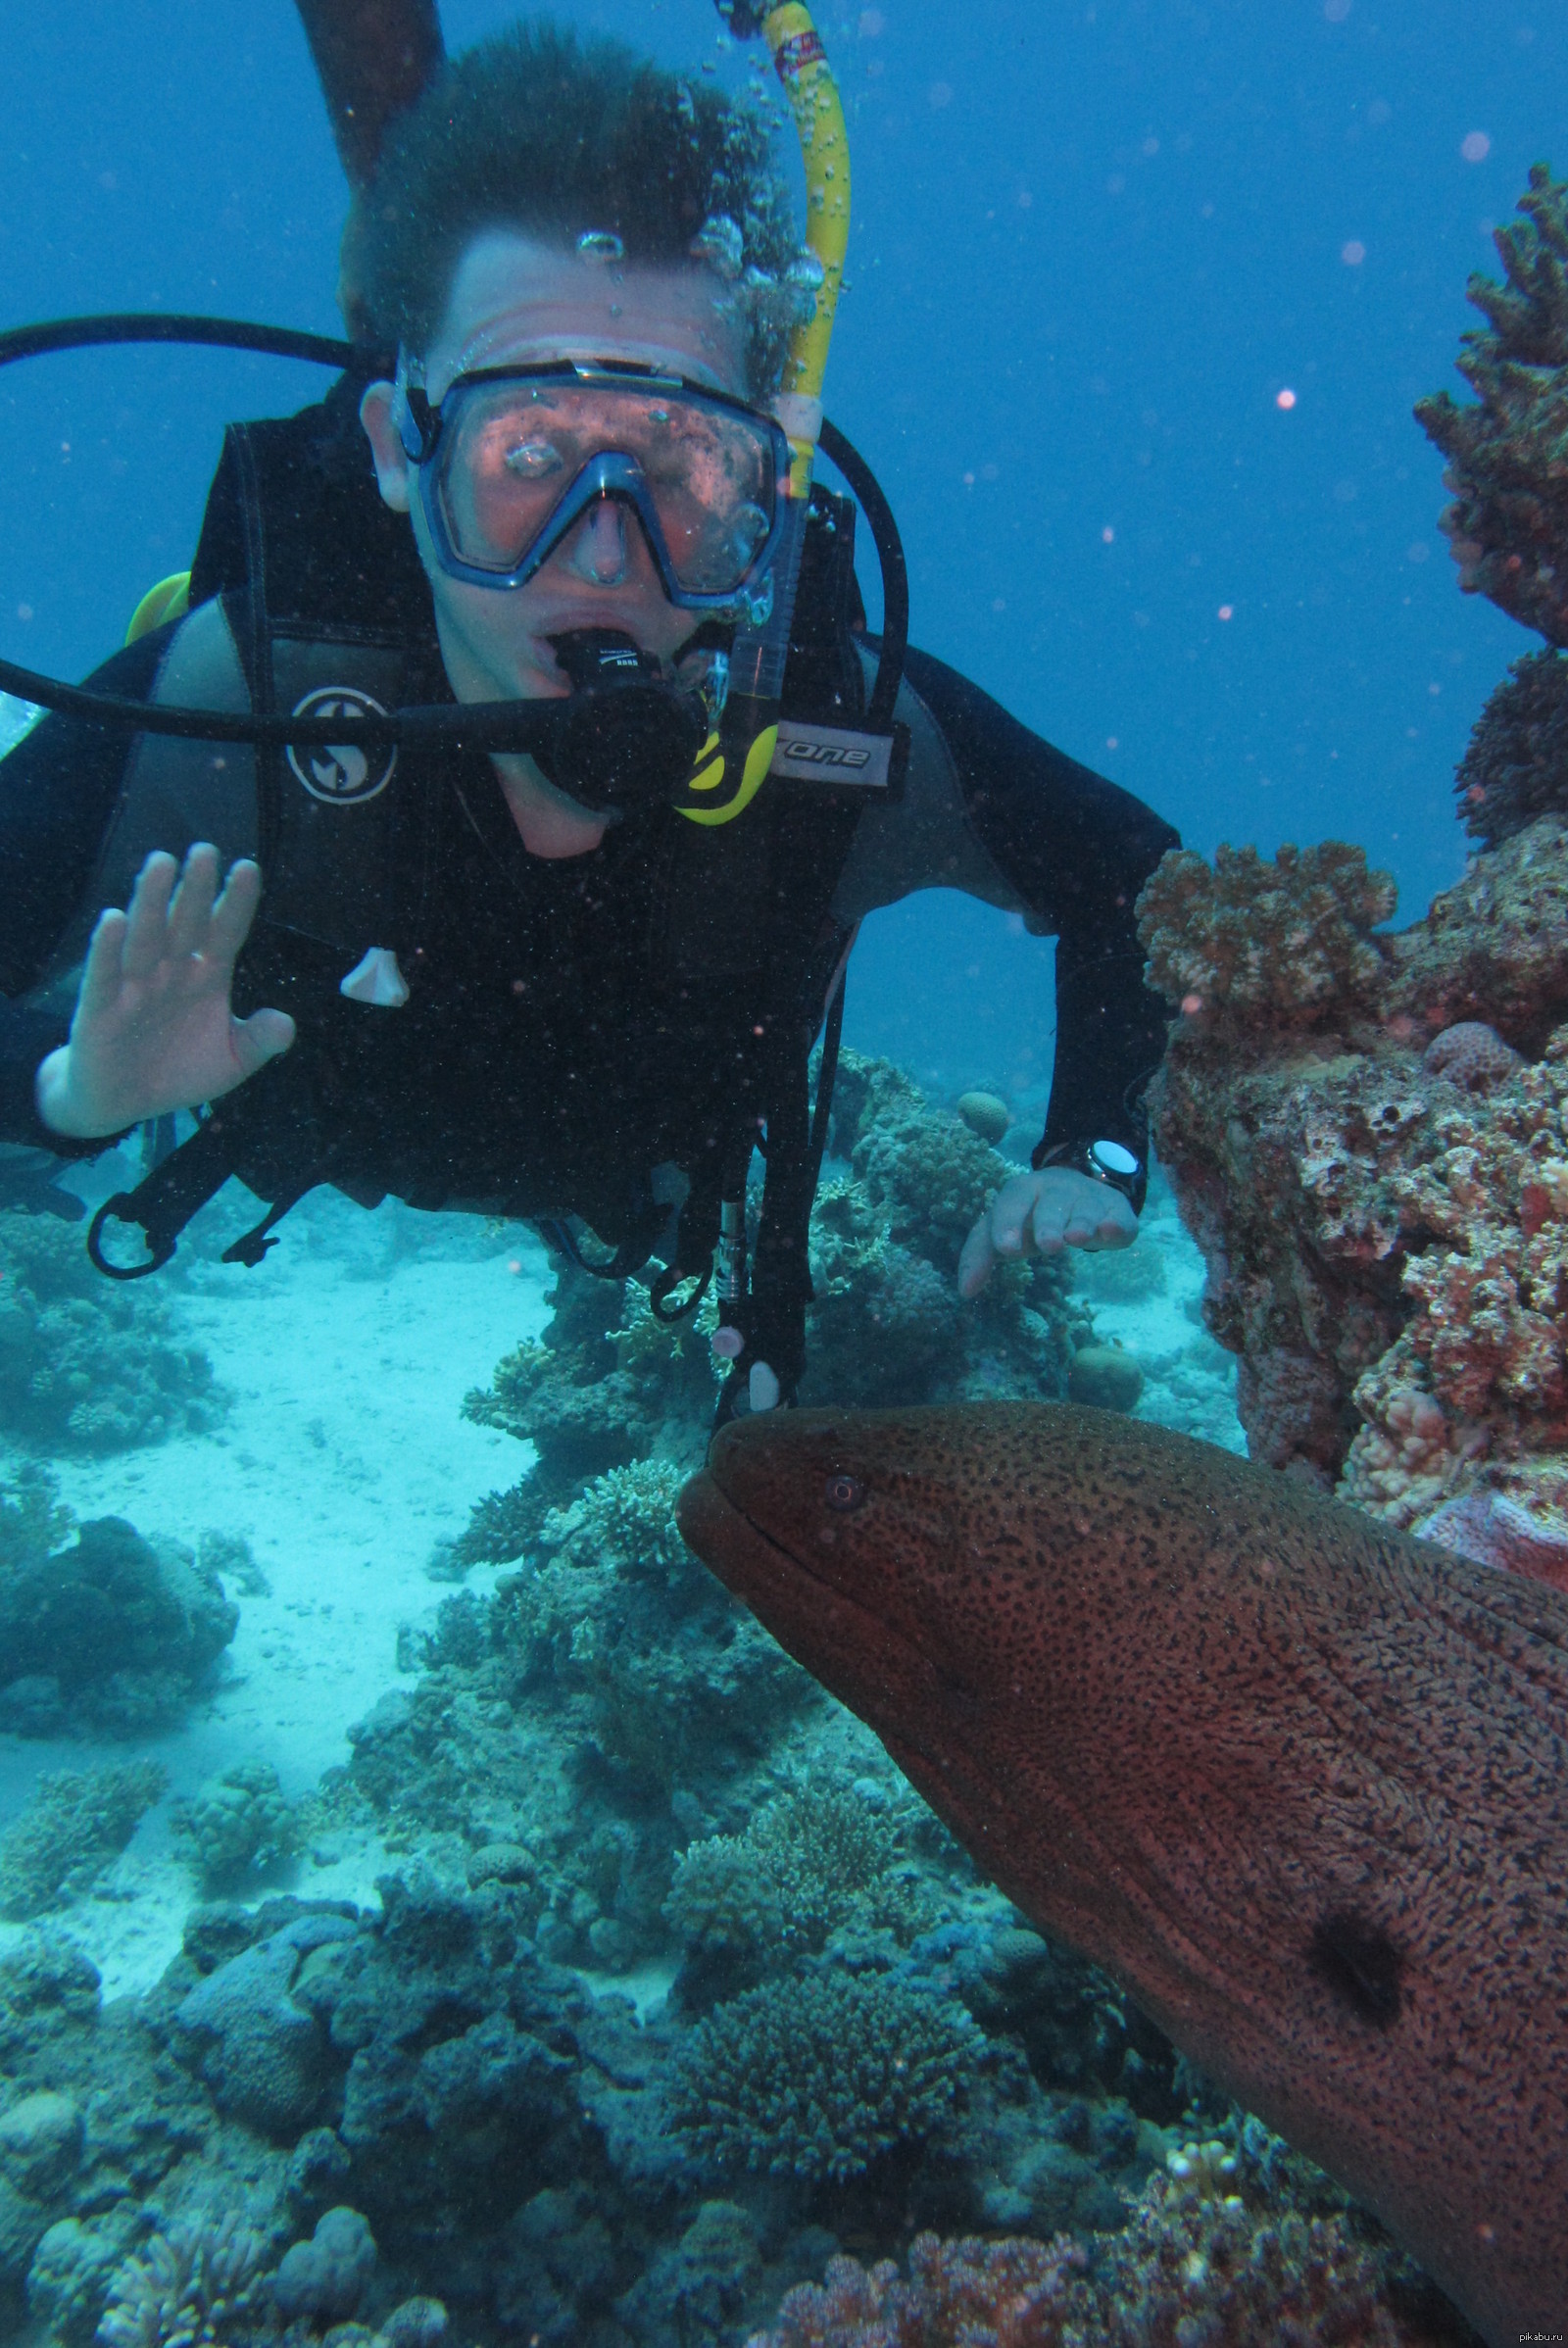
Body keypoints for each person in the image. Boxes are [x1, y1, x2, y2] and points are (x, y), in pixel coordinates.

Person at [0, 16, 1177, 1414]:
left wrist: (1091, 1148)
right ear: (399, 451)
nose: (605, 558)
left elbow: (1142, 886)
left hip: (648, 1191)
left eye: (683, 467)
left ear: (769, 489)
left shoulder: (838, 740)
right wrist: (75, 1091)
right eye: (529, 454)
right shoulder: (229, 708)